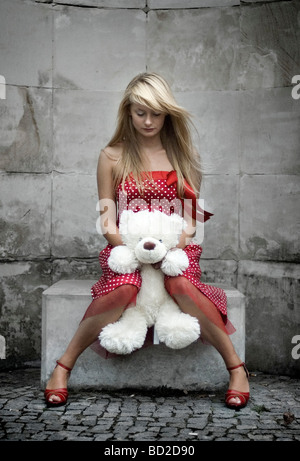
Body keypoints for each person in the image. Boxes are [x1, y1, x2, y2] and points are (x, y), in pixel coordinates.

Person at [44, 72, 249, 410]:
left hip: (175, 248)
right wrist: (129, 247)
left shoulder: (185, 155)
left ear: (167, 113)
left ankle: (237, 369)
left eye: (156, 113)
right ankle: (63, 367)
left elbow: (191, 219)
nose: (149, 121)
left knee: (180, 284)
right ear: (128, 111)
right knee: (126, 287)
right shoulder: (111, 156)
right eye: (141, 112)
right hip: (127, 248)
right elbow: (106, 217)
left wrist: (171, 247)